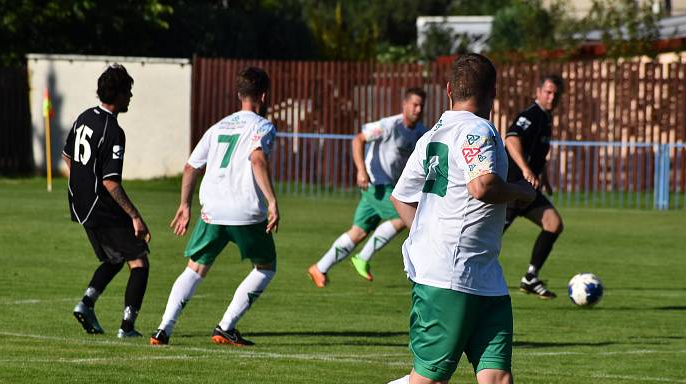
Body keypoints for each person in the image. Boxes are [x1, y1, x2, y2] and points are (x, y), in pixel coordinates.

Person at [321, 54, 556, 384]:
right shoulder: (479, 130)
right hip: (449, 278)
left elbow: (402, 198)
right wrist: (523, 193)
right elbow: (483, 185)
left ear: (449, 91)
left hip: (483, 275)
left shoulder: (431, 134)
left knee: (497, 380)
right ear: (492, 94)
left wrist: (426, 234)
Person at [150, 67, 279, 347]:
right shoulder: (262, 126)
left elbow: (190, 166)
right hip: (246, 211)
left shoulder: (218, 127)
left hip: (213, 210)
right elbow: (257, 159)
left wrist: (184, 204)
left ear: (238, 94)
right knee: (266, 267)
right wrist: (271, 200)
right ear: (264, 96)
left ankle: (163, 330)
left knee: (194, 269)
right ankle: (226, 326)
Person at [63, 64, 151, 338]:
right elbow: (110, 181)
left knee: (115, 258)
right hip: (101, 206)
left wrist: (82, 185)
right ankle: (127, 326)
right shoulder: (113, 130)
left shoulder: (84, 117)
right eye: (129, 92)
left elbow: (67, 157)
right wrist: (135, 216)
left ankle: (86, 303)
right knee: (139, 261)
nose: (131, 97)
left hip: (81, 204)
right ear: (119, 94)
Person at [308, 88, 427, 286]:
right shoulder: (389, 125)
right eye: (414, 104)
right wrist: (361, 170)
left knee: (358, 232)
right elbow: (358, 139)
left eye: (421, 105)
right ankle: (363, 257)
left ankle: (320, 268)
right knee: (403, 215)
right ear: (404, 104)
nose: (418, 109)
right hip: (376, 184)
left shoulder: (421, 132)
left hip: (388, 186)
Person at [503, 75, 565, 299]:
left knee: (553, 224)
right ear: (538, 92)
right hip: (512, 186)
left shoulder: (546, 118)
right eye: (548, 92)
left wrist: (543, 176)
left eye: (556, 94)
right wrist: (526, 169)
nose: (552, 97)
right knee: (488, 237)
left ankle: (530, 277)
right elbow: (511, 139)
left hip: (528, 189)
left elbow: (539, 154)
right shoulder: (531, 114)